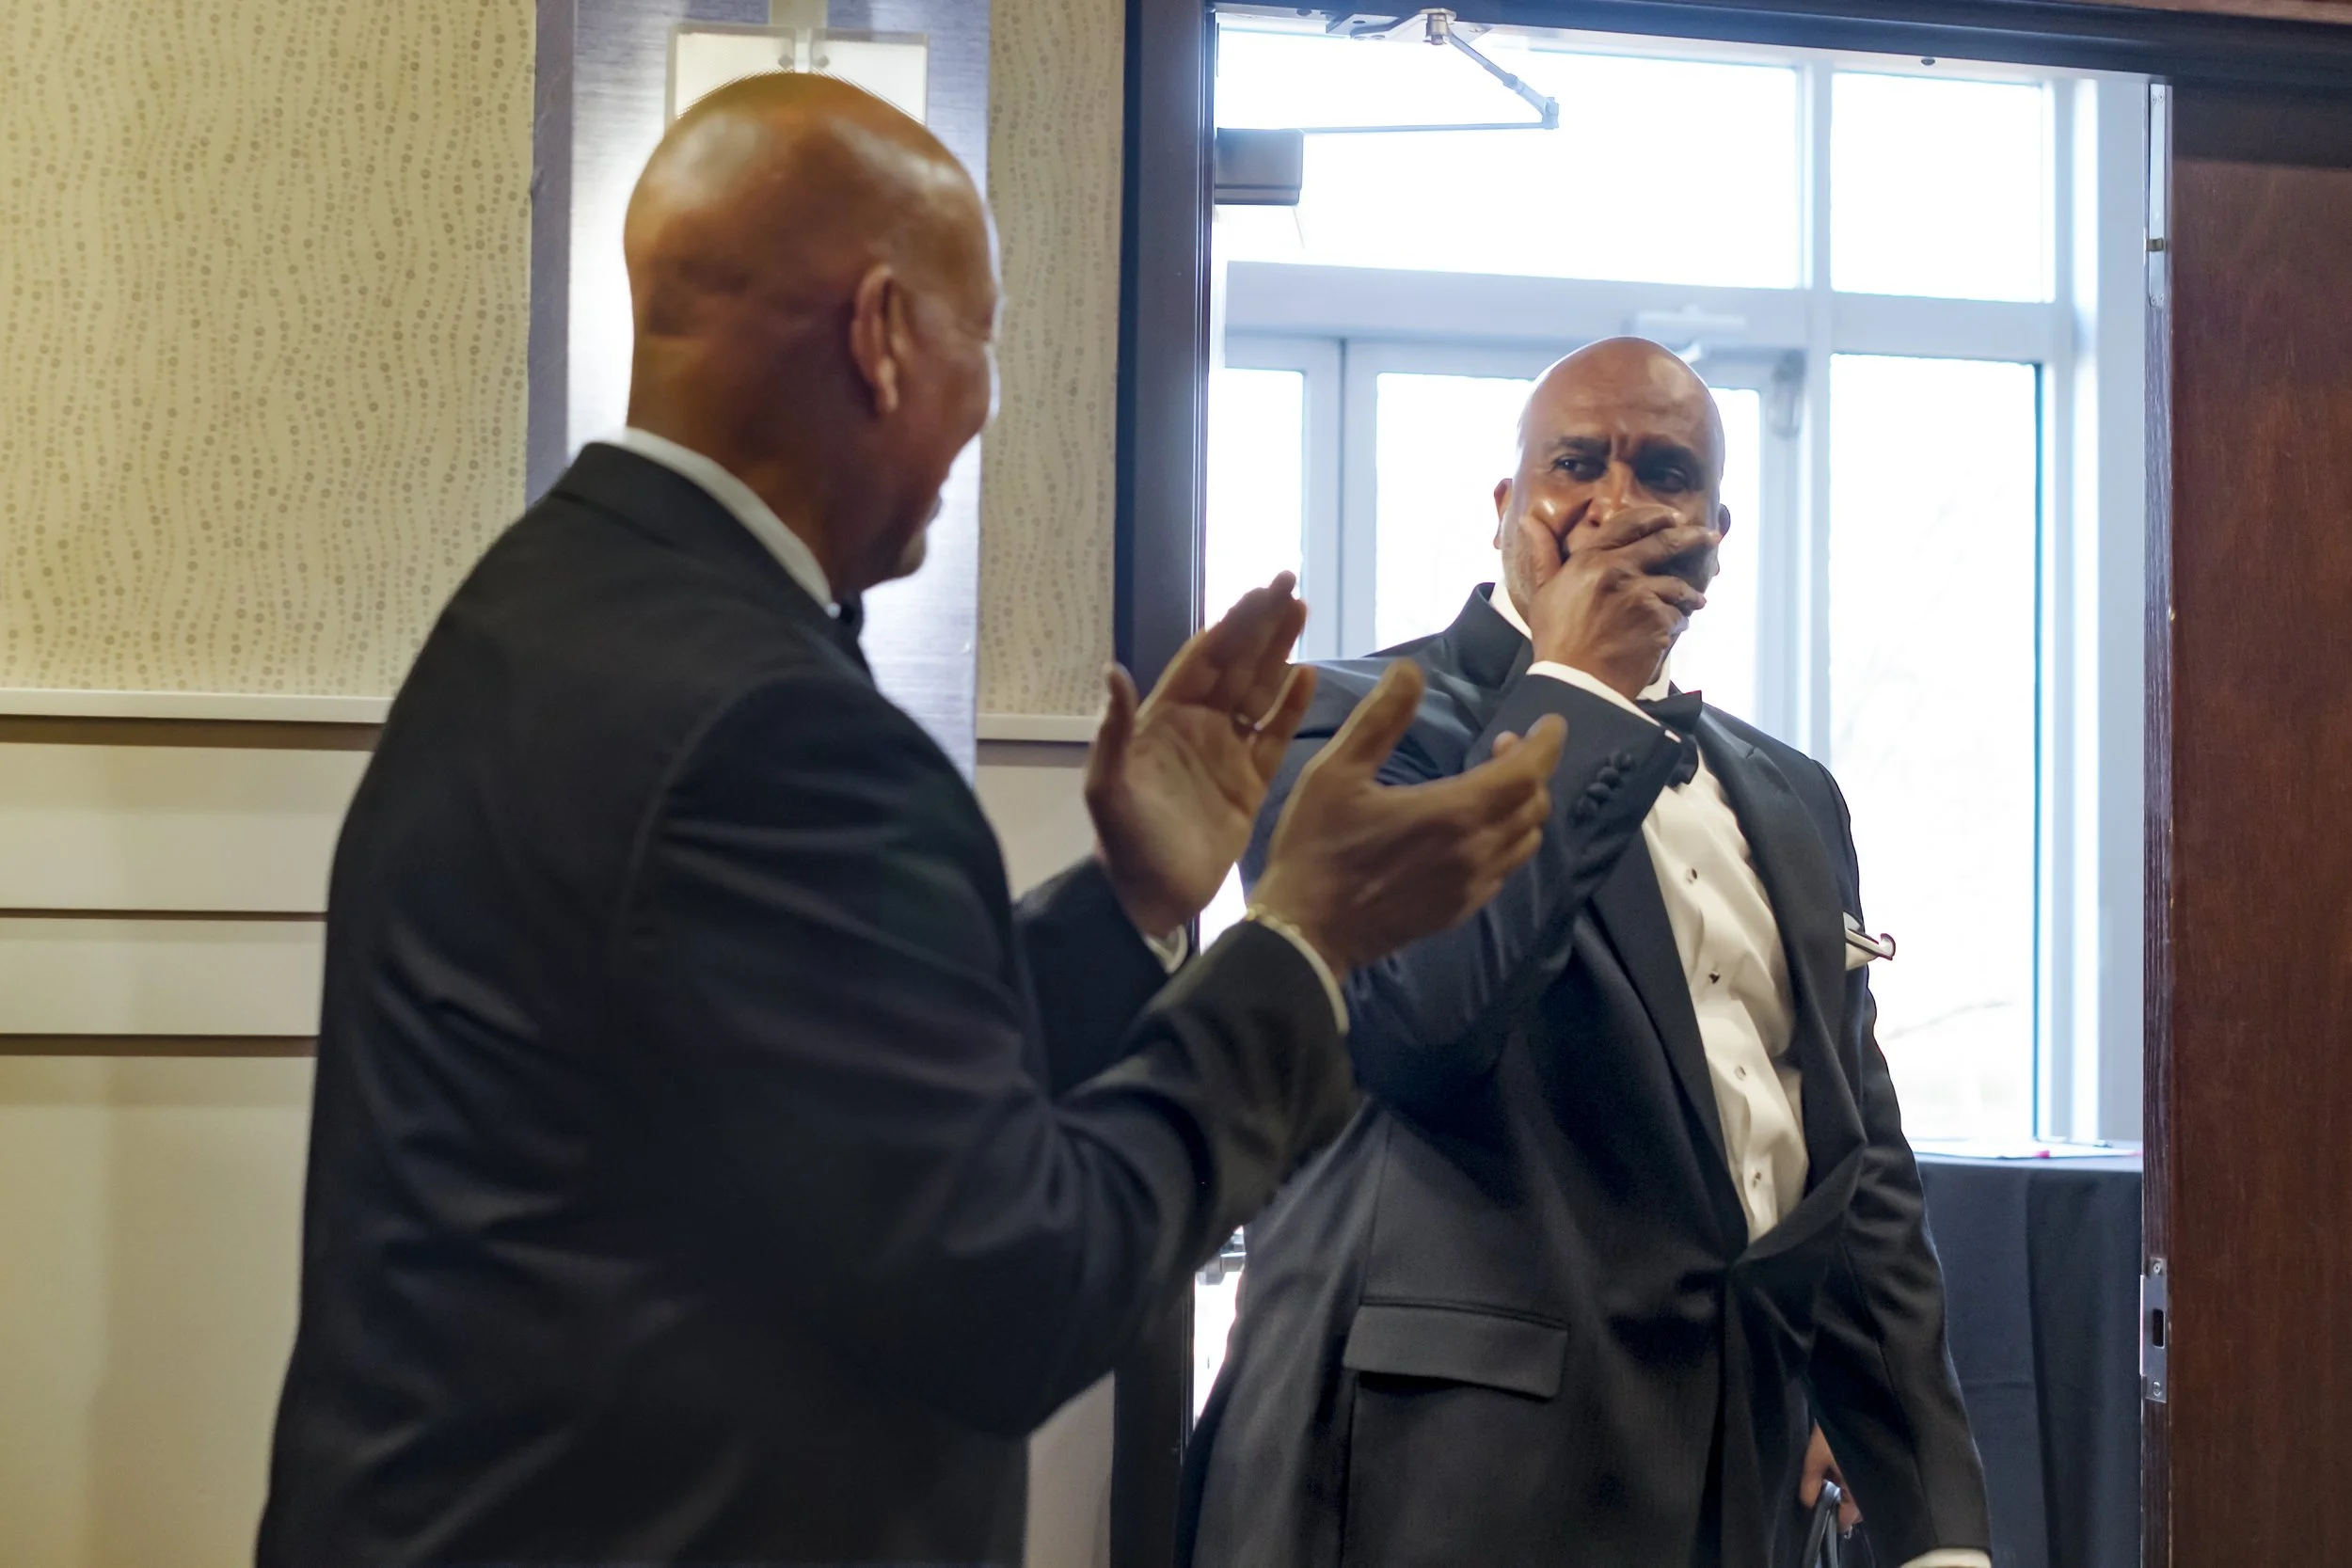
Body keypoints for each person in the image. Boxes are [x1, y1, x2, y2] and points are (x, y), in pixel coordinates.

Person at [255, 74, 1574, 1567]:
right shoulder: (774, 724)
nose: (990, 402)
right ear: (883, 335)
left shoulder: (542, 608)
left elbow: (817, 1086)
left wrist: (1128, 903)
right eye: (985, 338)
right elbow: (1015, 1291)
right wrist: (1299, 947)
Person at [1180, 338, 1994, 1568]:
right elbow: (1428, 1027)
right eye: (1576, 466)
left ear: (1715, 533)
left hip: (1731, 1487)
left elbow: (1856, 1170)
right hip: (1435, 1489)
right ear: (1507, 509)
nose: (1616, 504)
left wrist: (1940, 1531)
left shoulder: (1792, 798)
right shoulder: (1349, 722)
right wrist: (1579, 692)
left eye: (1663, 471)